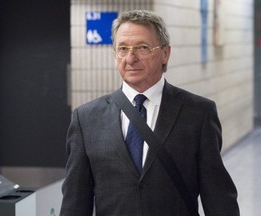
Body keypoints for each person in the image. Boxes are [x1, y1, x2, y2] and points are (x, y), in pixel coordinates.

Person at [60, 10, 239, 216]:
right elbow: (75, 200)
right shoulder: (86, 119)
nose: (130, 58)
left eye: (142, 48)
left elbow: (218, 197)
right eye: (123, 48)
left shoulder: (198, 114)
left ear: (165, 53)